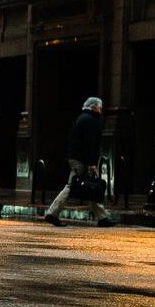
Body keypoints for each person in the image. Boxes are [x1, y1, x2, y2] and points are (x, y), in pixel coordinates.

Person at [43, 95, 114, 227]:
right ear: (93, 107)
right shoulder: (90, 120)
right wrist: (91, 163)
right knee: (75, 186)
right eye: (100, 108)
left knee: (91, 186)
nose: (101, 110)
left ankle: (102, 217)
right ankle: (52, 213)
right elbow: (89, 143)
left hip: (78, 158)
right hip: (81, 159)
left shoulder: (83, 118)